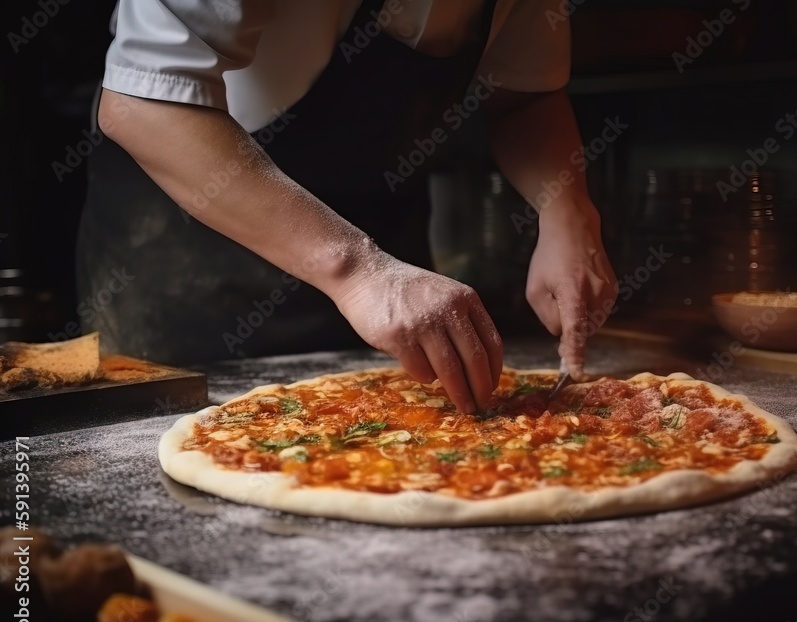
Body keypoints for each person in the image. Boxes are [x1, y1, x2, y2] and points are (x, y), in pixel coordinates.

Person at [77, 0, 617, 414]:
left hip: (391, 293)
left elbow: (523, 96)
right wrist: (361, 271)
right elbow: (142, 102)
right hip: (188, 287)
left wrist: (567, 213)